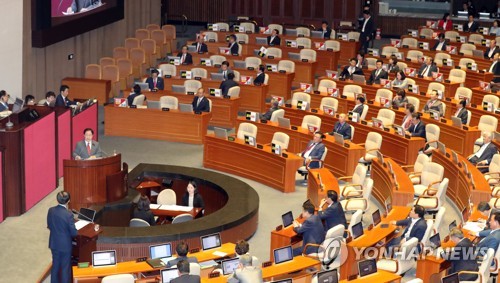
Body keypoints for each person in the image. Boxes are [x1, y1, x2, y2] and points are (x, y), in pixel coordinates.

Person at [47, 191, 78, 283]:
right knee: (65, 268)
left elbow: (49, 225)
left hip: (54, 243)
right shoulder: (68, 215)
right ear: (68, 201)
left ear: (57, 200)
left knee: (55, 265)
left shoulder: (51, 210)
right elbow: (74, 233)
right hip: (65, 246)